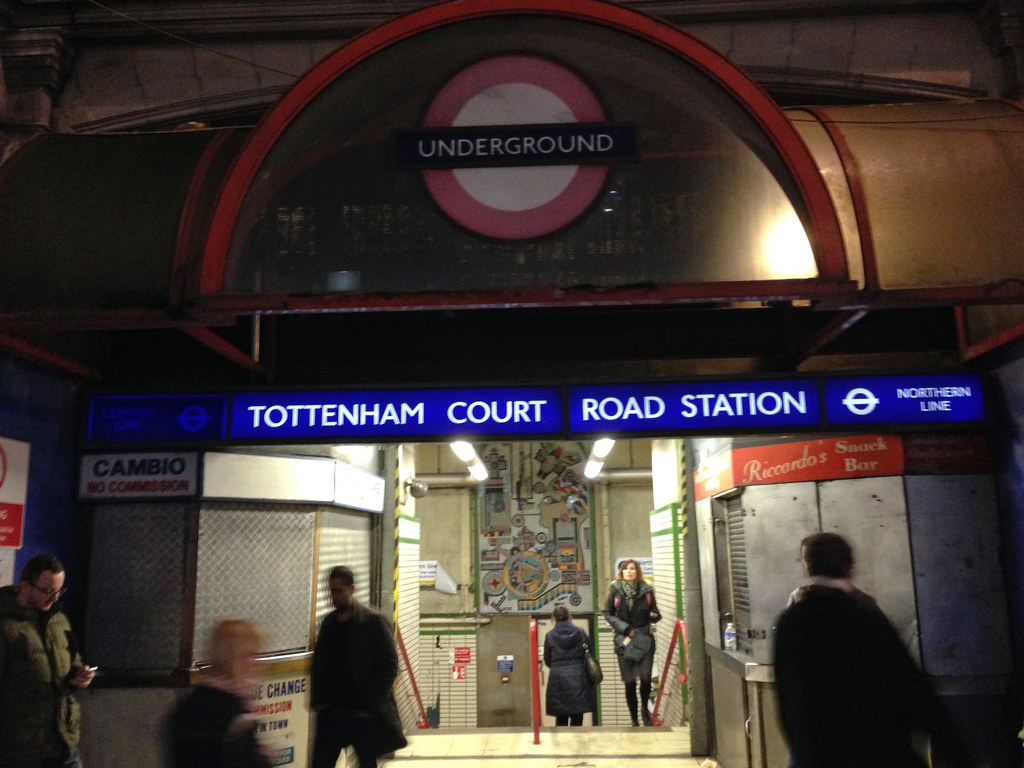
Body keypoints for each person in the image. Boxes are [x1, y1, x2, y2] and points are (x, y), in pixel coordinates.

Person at [774, 532, 972, 768]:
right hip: (878, 751)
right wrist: (958, 753)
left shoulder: (791, 622)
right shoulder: (864, 616)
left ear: (808, 567)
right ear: (848, 568)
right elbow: (913, 689)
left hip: (819, 754)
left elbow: (787, 702)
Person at [0, 553, 96, 768]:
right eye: (47, 591)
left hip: (63, 742)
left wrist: (80, 675)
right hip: (21, 749)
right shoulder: (5, 626)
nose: (54, 598)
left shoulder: (58, 621)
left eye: (59, 591)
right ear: (25, 586)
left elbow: (73, 660)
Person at [310, 565, 406, 768]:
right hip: (332, 713)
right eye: (331, 591)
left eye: (339, 591)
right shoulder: (329, 624)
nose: (333, 597)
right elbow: (320, 665)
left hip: (362, 713)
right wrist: (320, 703)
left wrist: (370, 705)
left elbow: (390, 665)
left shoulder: (373, 622)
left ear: (351, 589)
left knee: (367, 763)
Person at [166, 619, 272, 768]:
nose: (257, 663)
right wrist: (261, 756)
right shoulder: (235, 717)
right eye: (250, 655)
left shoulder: (188, 705)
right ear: (234, 660)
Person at [604, 558, 661, 726]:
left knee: (645, 678)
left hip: (644, 640)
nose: (629, 571)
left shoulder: (647, 590)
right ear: (621, 573)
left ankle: (645, 711)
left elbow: (656, 611)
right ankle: (634, 718)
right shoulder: (615, 589)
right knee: (629, 682)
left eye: (632, 569)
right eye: (625, 569)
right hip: (624, 639)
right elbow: (608, 613)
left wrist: (654, 615)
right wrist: (624, 627)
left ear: (637, 572)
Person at [543, 605, 593, 726]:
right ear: (569, 616)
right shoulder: (580, 633)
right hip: (578, 677)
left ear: (554, 618)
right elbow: (589, 652)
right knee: (577, 716)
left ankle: (562, 743)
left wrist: (557, 666)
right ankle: (576, 742)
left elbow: (547, 660)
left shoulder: (550, 636)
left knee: (561, 717)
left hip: (558, 681)